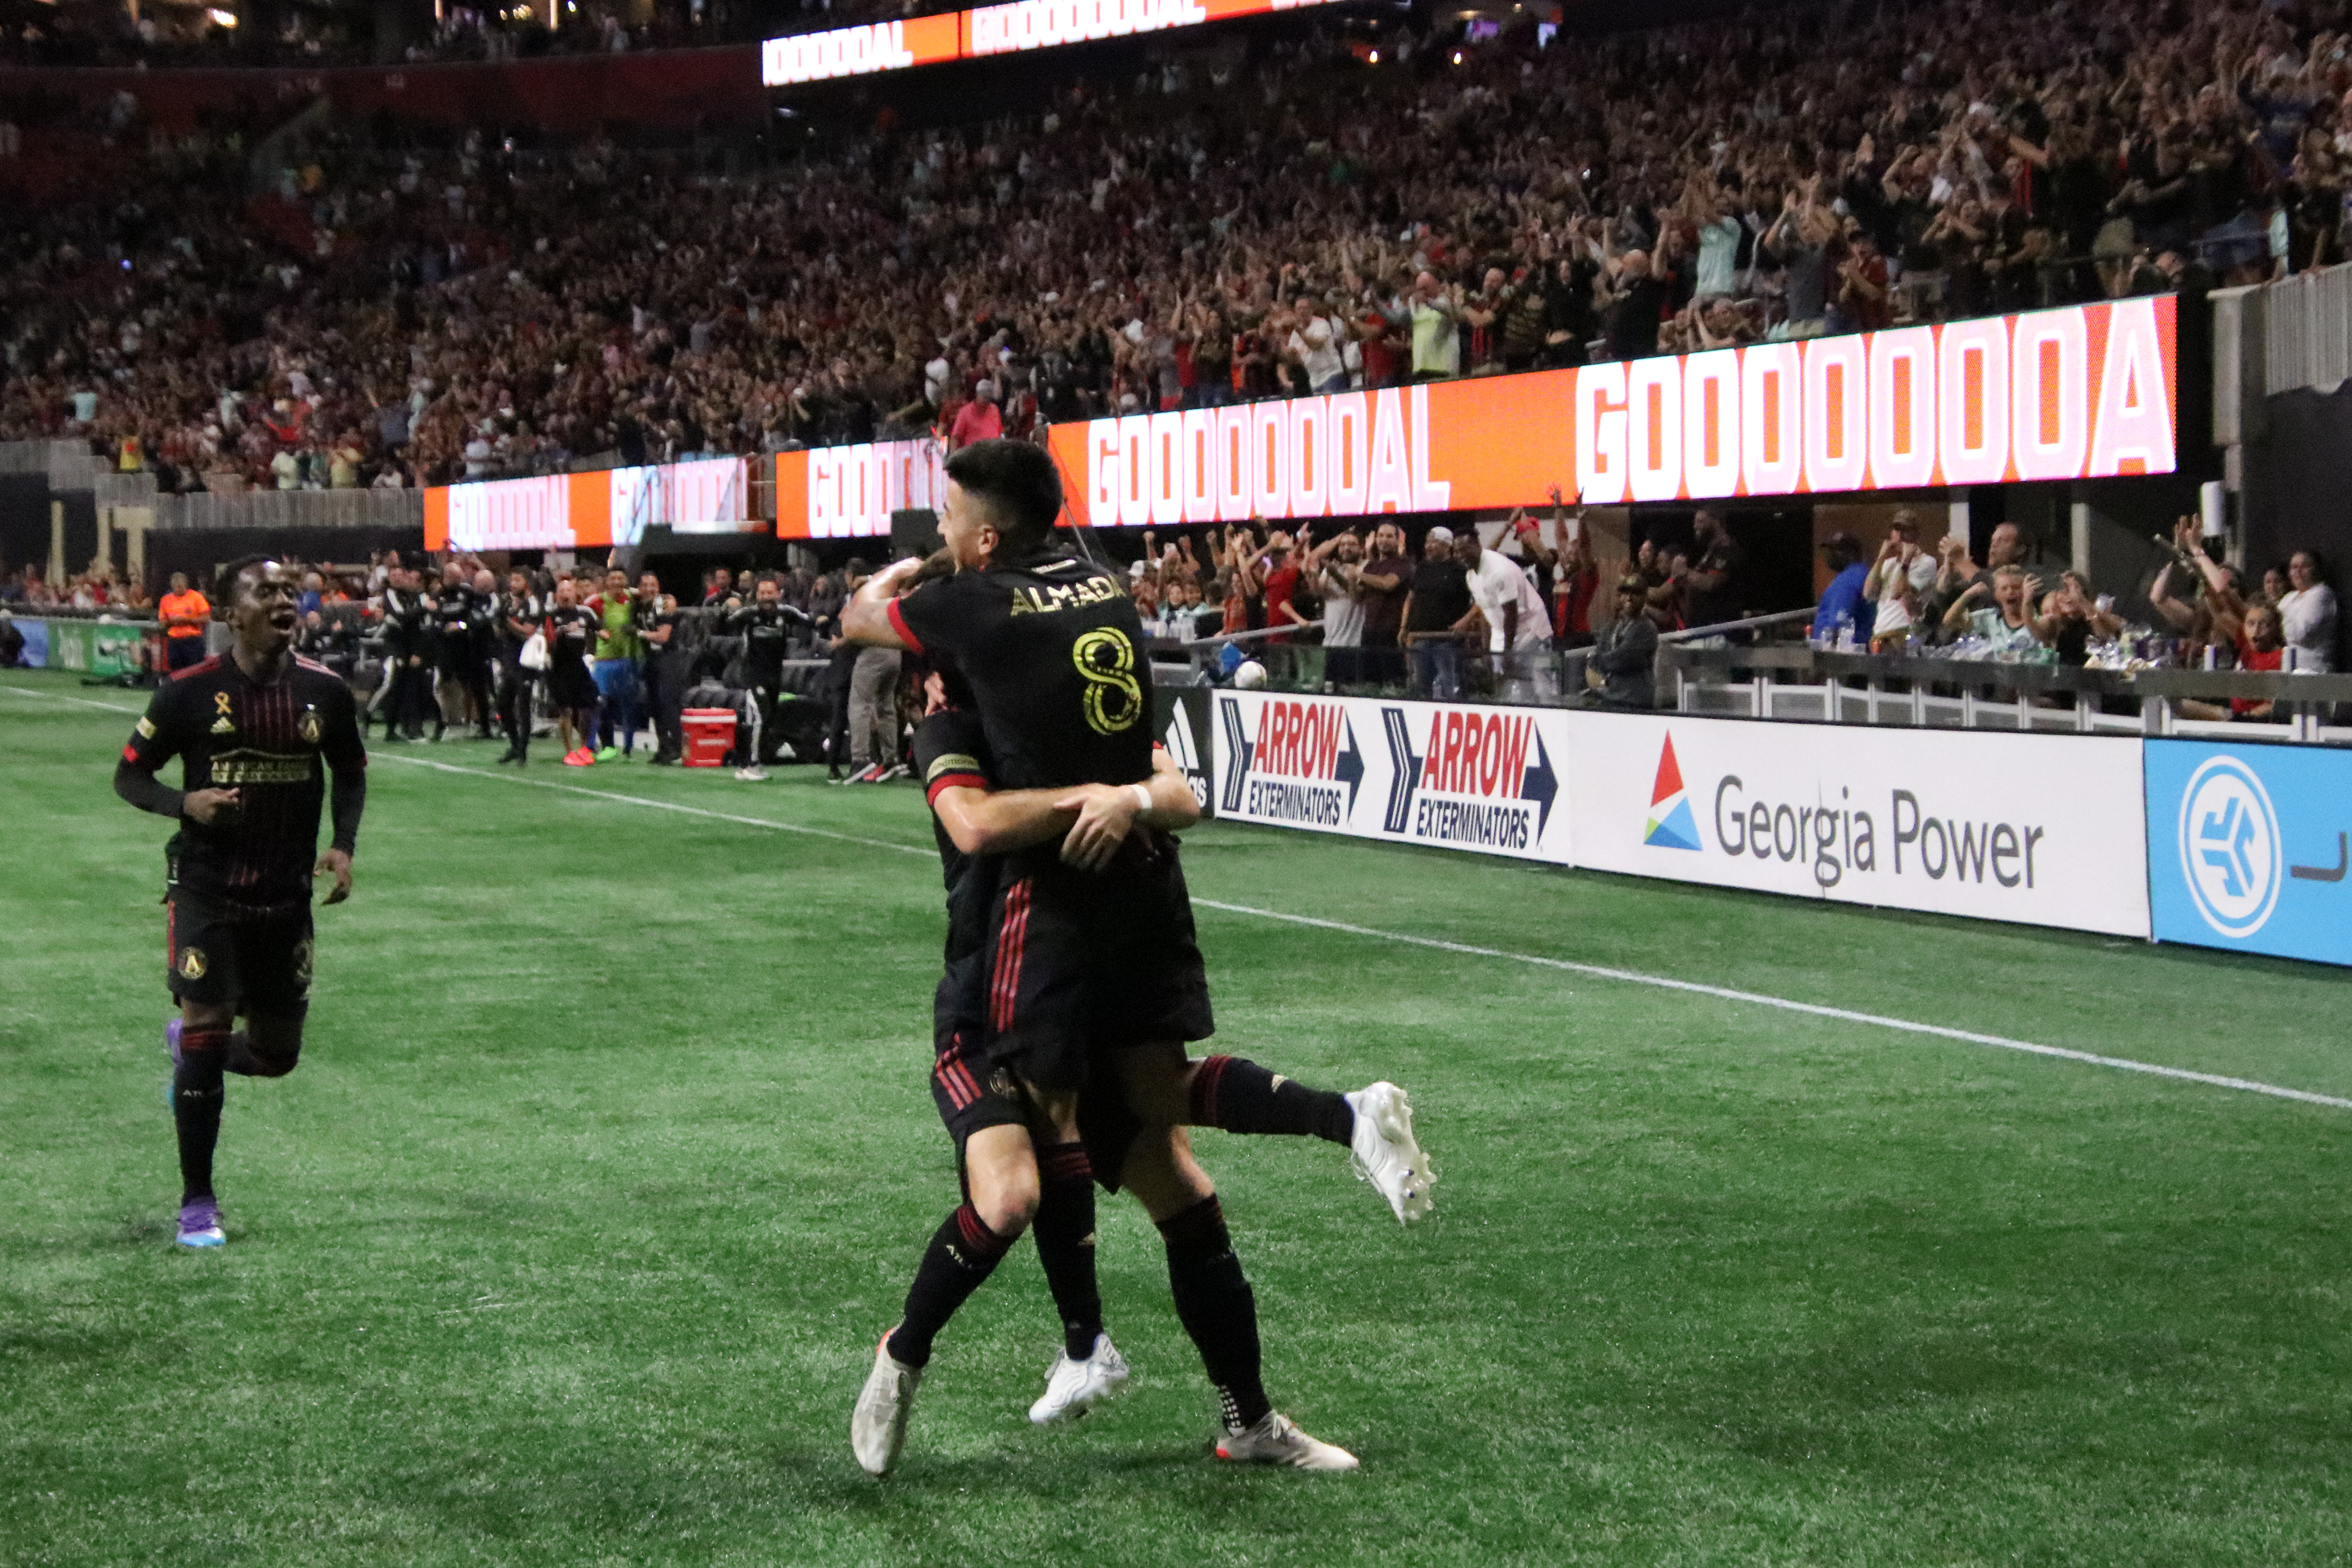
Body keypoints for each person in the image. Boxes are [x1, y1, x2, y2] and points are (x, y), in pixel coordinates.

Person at [840, 440, 1432, 1476]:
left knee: (1173, 1173)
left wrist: (1126, 797)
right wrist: (1102, 797)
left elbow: (1173, 789)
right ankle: (937, 1352)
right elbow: (976, 826)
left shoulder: (1000, 638)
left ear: (982, 542)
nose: (941, 528)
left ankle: (1238, 1414)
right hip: (993, 980)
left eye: (948, 517)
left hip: (1071, 944)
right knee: (1027, 1183)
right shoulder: (964, 695)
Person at [111, 557, 367, 1249]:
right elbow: (129, 776)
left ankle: (192, 1051)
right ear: (234, 613)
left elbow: (349, 771)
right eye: (267, 591)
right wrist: (183, 802)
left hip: (285, 896)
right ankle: (198, 1201)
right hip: (206, 888)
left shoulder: (326, 691)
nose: (285, 600)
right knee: (206, 1024)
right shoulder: (187, 692)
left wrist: (343, 844)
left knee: (277, 1055)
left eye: (290, 591)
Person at [722, 575, 812, 781]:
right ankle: (752, 765)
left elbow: (809, 621)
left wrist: (826, 621)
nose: (766, 597)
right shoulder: (748, 614)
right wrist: (726, 609)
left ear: (778, 594)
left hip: (774, 676)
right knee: (761, 717)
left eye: (770, 593)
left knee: (767, 720)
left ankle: (747, 763)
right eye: (762, 593)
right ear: (756, 596)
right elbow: (725, 623)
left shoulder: (786, 613)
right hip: (754, 675)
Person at [1460, 521, 1556, 703]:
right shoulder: (1473, 574)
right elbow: (1488, 611)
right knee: (1509, 691)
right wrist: (1488, 646)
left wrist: (1507, 652)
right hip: (1505, 634)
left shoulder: (1506, 569)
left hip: (1532, 630)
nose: (1523, 540)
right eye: (1457, 551)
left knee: (1542, 689)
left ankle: (1549, 725)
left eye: (1527, 536)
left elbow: (1511, 614)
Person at [1400, 526, 1473, 700]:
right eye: (1427, 542)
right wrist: (1404, 627)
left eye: (1433, 542)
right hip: (1420, 638)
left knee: (1450, 690)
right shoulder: (1422, 568)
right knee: (1420, 689)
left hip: (1447, 640)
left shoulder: (1461, 570)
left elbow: (1480, 601)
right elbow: (1411, 599)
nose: (1428, 546)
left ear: (1447, 545)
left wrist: (1465, 622)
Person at [586, 567, 644, 761]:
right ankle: (591, 745)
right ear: (607, 582)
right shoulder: (597, 602)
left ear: (626, 581)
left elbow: (654, 596)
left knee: (629, 705)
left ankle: (628, 748)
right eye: (613, 578)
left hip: (628, 659)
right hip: (605, 661)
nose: (617, 582)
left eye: (621, 578)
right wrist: (596, 633)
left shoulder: (632, 597)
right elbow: (584, 618)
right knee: (600, 703)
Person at [545, 577, 602, 765]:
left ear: (574, 593)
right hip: (559, 667)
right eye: (561, 591)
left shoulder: (586, 613)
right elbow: (547, 642)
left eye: (568, 590)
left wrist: (603, 635)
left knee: (588, 705)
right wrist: (561, 633)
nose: (565, 594)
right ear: (557, 595)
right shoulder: (550, 614)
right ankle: (569, 751)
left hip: (579, 665)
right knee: (566, 710)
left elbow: (600, 630)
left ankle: (584, 748)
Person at [1352, 521, 1415, 687]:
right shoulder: (1371, 566)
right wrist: (1344, 576)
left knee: (1393, 683)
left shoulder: (1403, 564)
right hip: (1369, 631)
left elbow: (1389, 584)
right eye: (1381, 536)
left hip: (1391, 632)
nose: (1384, 540)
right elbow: (1356, 597)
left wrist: (1360, 574)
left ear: (1397, 540)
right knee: (1369, 683)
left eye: (1389, 536)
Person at [1861, 514, 1935, 652]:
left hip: (1902, 633)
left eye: (1905, 531)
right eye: (1896, 531)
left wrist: (1906, 560)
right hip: (1880, 633)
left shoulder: (1926, 562)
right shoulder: (1888, 563)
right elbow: (1868, 593)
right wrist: (1881, 558)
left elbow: (1897, 592)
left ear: (1916, 534)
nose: (1900, 537)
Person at [1581, 578, 1660, 708]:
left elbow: (1624, 659)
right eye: (1625, 593)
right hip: (1610, 698)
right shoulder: (1612, 627)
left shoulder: (1647, 628)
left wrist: (1596, 660)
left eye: (1635, 593)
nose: (1629, 598)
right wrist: (1597, 663)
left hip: (1635, 702)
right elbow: (1597, 659)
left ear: (1645, 597)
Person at [492, 570, 543, 765]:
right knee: (503, 704)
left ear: (527, 583)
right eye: (511, 579)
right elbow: (498, 632)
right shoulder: (509, 604)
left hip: (527, 662)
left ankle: (522, 751)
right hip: (510, 660)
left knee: (523, 706)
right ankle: (514, 745)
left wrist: (507, 621)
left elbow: (527, 633)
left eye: (517, 580)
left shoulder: (533, 604)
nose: (512, 584)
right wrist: (499, 621)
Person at [1941, 564, 2047, 657]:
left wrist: (2027, 603)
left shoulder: (2040, 621)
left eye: (2016, 587)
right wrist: (1969, 594)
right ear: (1996, 594)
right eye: (2004, 588)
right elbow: (1949, 621)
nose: (2010, 592)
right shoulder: (1991, 618)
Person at [638, 580, 689, 765]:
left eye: (654, 585)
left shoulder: (662, 604)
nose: (650, 588)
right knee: (654, 706)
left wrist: (639, 633)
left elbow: (663, 637)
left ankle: (677, 748)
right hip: (651, 660)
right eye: (646, 585)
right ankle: (664, 747)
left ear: (659, 588)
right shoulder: (640, 604)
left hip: (668, 660)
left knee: (668, 704)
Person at [2277, 549, 2339, 673]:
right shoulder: (2289, 598)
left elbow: (2299, 634)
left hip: (2314, 671)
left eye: (2304, 566)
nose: (2298, 572)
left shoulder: (2321, 593)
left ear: (2316, 569)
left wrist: (2279, 620)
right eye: (2294, 567)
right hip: (2289, 669)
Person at [1814, 532, 1873, 647]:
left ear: (1852, 553)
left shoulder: (1850, 577)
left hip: (1843, 652)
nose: (1831, 556)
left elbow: (1840, 623)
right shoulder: (1861, 573)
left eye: (1837, 551)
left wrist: (1830, 653)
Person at [157, 572, 211, 674]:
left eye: (181, 586)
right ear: (172, 586)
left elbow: (206, 618)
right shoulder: (165, 600)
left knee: (195, 671)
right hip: (175, 641)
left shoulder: (196, 597)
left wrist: (187, 620)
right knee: (176, 672)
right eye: (176, 587)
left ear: (186, 585)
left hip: (193, 641)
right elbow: (162, 623)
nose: (179, 589)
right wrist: (172, 622)